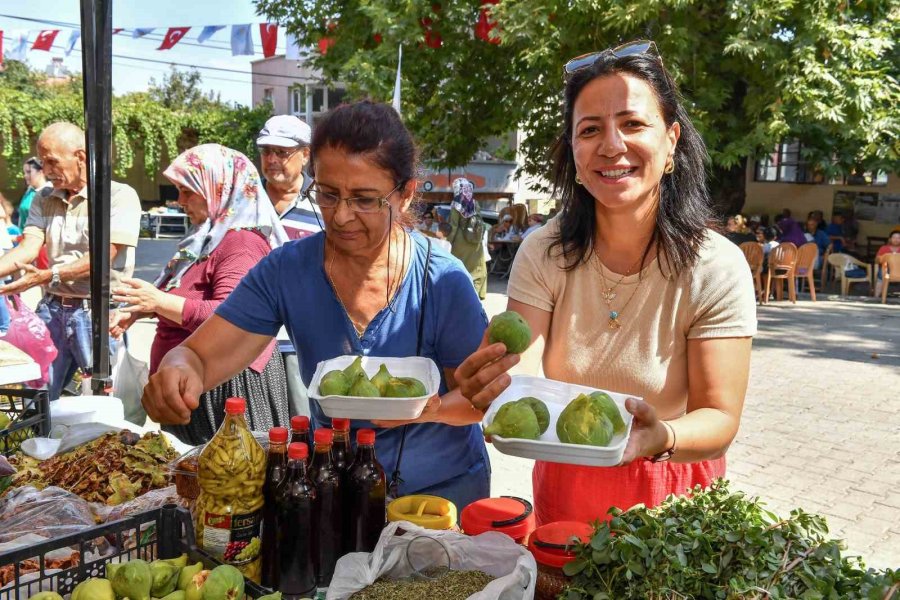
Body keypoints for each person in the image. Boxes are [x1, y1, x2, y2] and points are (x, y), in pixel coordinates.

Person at [456, 40, 756, 525]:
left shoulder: (715, 265)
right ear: (573, 153)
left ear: (672, 141)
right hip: (567, 481)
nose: (612, 145)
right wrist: (494, 389)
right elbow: (525, 372)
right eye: (590, 129)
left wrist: (660, 438)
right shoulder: (544, 251)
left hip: (671, 489)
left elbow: (720, 418)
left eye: (633, 124)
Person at [141, 101, 491, 511]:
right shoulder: (288, 271)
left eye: (364, 199)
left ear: (406, 196)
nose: (340, 216)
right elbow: (199, 355)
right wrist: (178, 372)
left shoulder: (442, 280)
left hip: (441, 497)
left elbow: (476, 400)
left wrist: (423, 410)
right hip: (337, 490)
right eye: (327, 194)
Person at [111, 144, 290, 445]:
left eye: (188, 191)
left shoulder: (242, 243)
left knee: (225, 477)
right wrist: (144, 309)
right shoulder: (206, 240)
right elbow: (190, 294)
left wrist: (159, 301)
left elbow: (233, 321)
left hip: (227, 388)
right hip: (197, 384)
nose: (179, 201)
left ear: (220, 187)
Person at [0, 122, 142, 400]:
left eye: (52, 161)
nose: (47, 170)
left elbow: (103, 256)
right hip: (53, 309)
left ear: (80, 157)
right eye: (42, 162)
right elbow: (28, 247)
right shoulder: (44, 197)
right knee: (37, 396)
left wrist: (47, 276)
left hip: (98, 313)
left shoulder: (117, 196)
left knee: (101, 403)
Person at [258, 114, 323, 419]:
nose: (271, 160)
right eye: (266, 151)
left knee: (306, 428)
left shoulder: (324, 203)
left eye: (282, 152)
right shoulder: (245, 200)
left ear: (306, 154)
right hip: (249, 340)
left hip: (304, 341)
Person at [446, 177, 488, 299]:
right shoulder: (475, 203)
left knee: (460, 268)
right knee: (477, 269)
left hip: (460, 242)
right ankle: (477, 295)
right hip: (476, 242)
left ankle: (462, 295)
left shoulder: (456, 204)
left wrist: (448, 243)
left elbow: (453, 226)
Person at [19, 157, 49, 232]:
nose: (25, 176)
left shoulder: (49, 192)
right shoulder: (29, 190)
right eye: (24, 173)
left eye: (29, 172)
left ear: (41, 172)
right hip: (23, 237)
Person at [874, 229, 900, 297]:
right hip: (886, 271)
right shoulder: (884, 248)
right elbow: (877, 261)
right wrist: (882, 258)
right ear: (890, 239)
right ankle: (876, 297)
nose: (896, 239)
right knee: (881, 273)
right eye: (894, 237)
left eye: (898, 238)